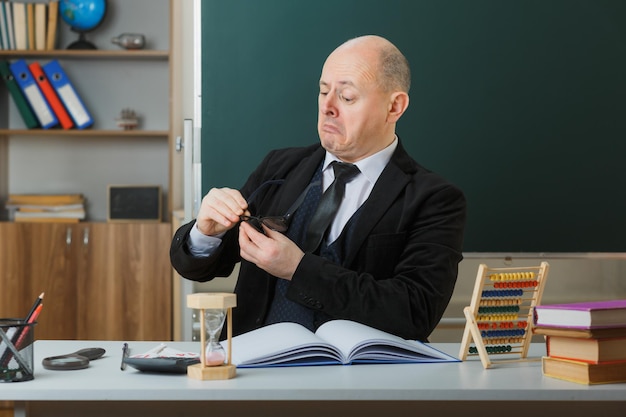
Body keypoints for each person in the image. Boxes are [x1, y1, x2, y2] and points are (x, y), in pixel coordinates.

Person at [170, 35, 466, 342]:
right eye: (323, 91)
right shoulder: (278, 168)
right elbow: (198, 267)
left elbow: (415, 312)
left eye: (347, 97)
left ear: (395, 107)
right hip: (255, 375)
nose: (327, 107)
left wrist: (299, 269)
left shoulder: (435, 199)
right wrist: (206, 233)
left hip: (361, 383)